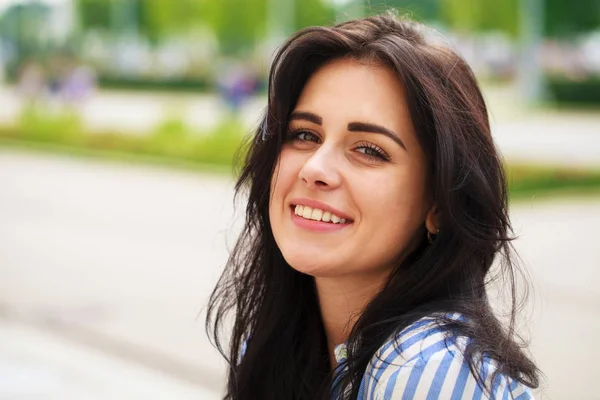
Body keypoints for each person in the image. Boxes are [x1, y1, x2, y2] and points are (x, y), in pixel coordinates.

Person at [207, 13, 540, 400]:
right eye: (304, 134)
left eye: (368, 149)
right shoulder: (278, 343)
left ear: (439, 204)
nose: (315, 169)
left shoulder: (424, 369)